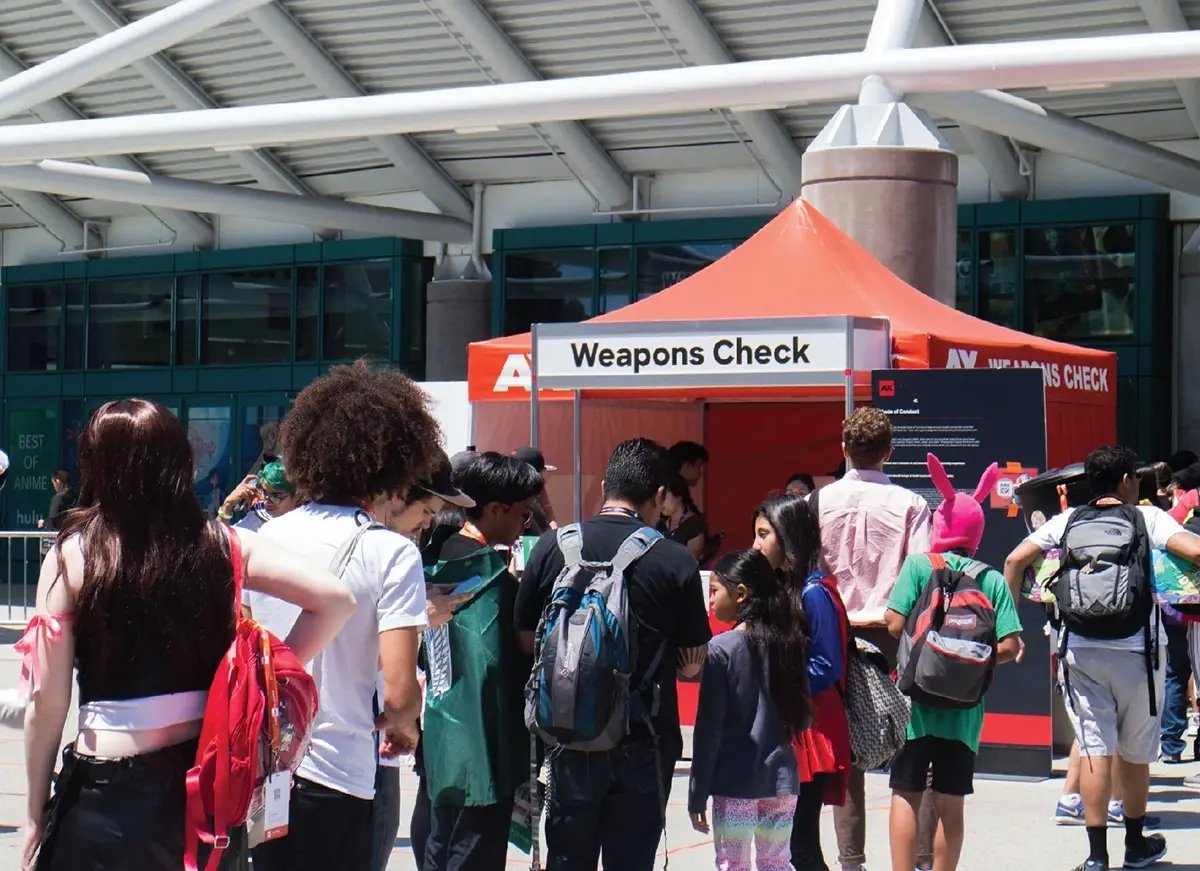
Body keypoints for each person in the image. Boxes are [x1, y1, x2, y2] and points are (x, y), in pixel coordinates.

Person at [21, 399, 356, 871]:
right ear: (179, 462)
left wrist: (35, 809)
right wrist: (264, 680)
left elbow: (48, 704)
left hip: (107, 798)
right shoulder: (225, 542)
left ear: (97, 463)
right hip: (207, 790)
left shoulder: (74, 555)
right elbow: (336, 600)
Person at [247, 361, 442, 871]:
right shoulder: (391, 553)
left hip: (265, 767)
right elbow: (400, 695)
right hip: (340, 772)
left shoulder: (266, 537)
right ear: (391, 463)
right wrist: (403, 727)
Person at [516, 438, 711, 870]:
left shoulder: (553, 548)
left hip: (567, 736)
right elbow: (692, 662)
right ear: (660, 496)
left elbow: (526, 641)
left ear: (605, 486)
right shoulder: (675, 560)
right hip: (644, 739)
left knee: (568, 858)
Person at [1004, 446, 1200, 871]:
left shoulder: (1067, 519)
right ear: (1128, 480)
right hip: (1136, 649)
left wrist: (1012, 626)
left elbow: (1016, 559)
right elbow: (1195, 552)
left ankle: (1096, 857)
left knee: (1094, 745)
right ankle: (1134, 844)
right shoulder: (1147, 518)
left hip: (1079, 647)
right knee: (1134, 751)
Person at [884, 455, 1022, 871]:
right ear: (977, 531)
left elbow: (893, 624)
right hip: (964, 711)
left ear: (940, 526)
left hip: (915, 703)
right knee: (951, 802)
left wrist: (928, 647)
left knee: (905, 793)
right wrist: (969, 661)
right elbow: (1011, 645)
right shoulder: (991, 579)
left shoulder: (919, 565)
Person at [809, 408, 933, 871]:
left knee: (849, 757)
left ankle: (851, 864)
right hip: (890, 633)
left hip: (832, 630)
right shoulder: (911, 504)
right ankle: (919, 861)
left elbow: (807, 571)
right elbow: (920, 576)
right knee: (912, 751)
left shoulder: (816, 503)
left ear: (843, 449)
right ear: (889, 452)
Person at [418, 453, 543, 871]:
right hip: (485, 737)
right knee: (474, 849)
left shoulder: (434, 558)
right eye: (524, 515)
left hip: (439, 731)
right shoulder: (491, 578)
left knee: (440, 840)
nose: (525, 525)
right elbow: (501, 661)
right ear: (493, 510)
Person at [369, 450, 475, 871]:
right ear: (397, 495)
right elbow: (396, 694)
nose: (429, 522)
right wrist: (416, 622)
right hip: (358, 747)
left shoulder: (293, 535)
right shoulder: (392, 552)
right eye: (428, 509)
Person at [690, 549, 810, 871]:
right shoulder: (790, 643)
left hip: (735, 783)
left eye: (715, 590)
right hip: (783, 781)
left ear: (740, 594)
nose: (710, 600)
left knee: (734, 863)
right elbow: (804, 714)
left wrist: (697, 791)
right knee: (776, 862)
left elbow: (709, 728)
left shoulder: (721, 649)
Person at [752, 495, 851, 871]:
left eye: (764, 534)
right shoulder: (788, 589)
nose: (756, 544)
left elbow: (827, 664)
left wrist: (775, 681)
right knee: (792, 844)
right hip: (798, 727)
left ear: (788, 536)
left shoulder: (814, 592)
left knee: (800, 846)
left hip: (813, 732)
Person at [219, 461, 303, 531]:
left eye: (276, 496)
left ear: (296, 496)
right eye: (265, 492)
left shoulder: (308, 521)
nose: (267, 501)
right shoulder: (257, 518)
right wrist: (227, 505)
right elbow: (222, 543)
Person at [513, 446, 558, 536]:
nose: (542, 479)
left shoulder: (536, 494)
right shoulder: (510, 500)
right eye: (538, 474)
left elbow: (547, 507)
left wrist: (554, 531)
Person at [661, 473, 706, 561]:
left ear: (678, 495)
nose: (660, 502)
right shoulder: (661, 522)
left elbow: (691, 559)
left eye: (664, 497)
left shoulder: (694, 524)